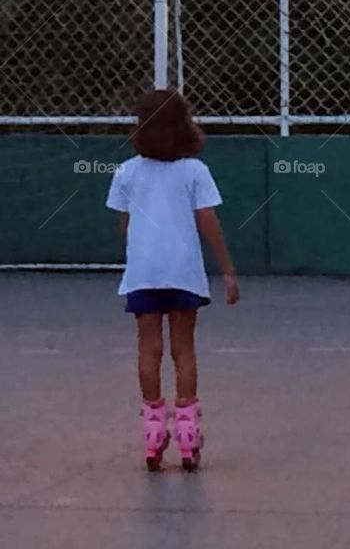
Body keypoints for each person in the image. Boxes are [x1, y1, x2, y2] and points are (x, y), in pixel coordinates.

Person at [106, 88, 239, 471]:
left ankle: (152, 431)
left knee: (148, 347)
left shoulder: (127, 172)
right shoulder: (195, 171)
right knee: (184, 347)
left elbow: (125, 225)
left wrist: (142, 253)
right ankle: (187, 432)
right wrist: (227, 269)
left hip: (144, 272)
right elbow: (208, 221)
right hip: (183, 270)